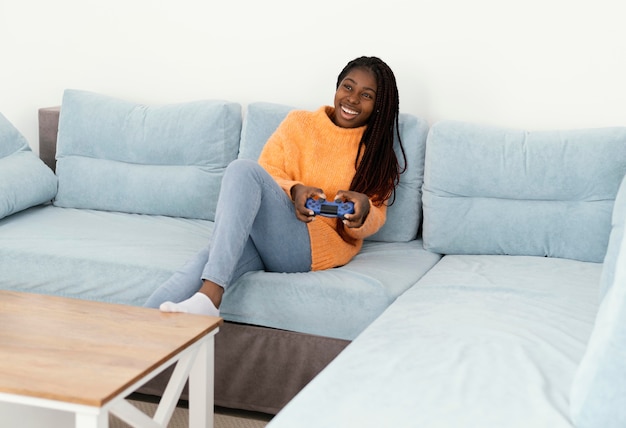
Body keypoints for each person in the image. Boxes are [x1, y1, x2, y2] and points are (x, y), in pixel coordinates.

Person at [145, 56, 407, 316]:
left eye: (366, 95)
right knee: (204, 265)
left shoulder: (376, 154)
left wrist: (362, 212)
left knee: (241, 169)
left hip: (311, 248)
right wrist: (295, 189)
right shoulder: (299, 123)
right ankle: (132, 335)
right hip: (267, 236)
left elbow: (376, 215)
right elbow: (268, 170)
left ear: (378, 106)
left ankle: (211, 297)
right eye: (347, 87)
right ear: (337, 88)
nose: (352, 99)